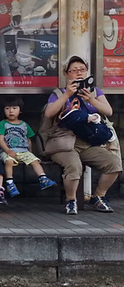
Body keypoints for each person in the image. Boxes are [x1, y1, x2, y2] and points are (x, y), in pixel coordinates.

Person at [44, 55, 121, 215]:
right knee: (74, 166)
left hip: (87, 142)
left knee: (113, 163)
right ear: (67, 74)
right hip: (64, 143)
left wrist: (91, 100)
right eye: (74, 70)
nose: (79, 73)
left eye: (82, 70)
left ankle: (98, 197)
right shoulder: (59, 93)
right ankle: (71, 200)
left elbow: (109, 111)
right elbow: (49, 113)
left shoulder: (95, 91)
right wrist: (67, 96)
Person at [0, 95, 57, 197]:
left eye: (14, 108)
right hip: (8, 151)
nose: (11, 111)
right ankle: (10, 183)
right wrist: (7, 150)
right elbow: (0, 139)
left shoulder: (24, 125)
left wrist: (30, 151)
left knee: (34, 160)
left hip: (23, 151)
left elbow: (29, 139)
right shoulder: (3, 124)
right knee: (8, 161)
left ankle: (43, 178)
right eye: (7, 108)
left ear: (20, 111)